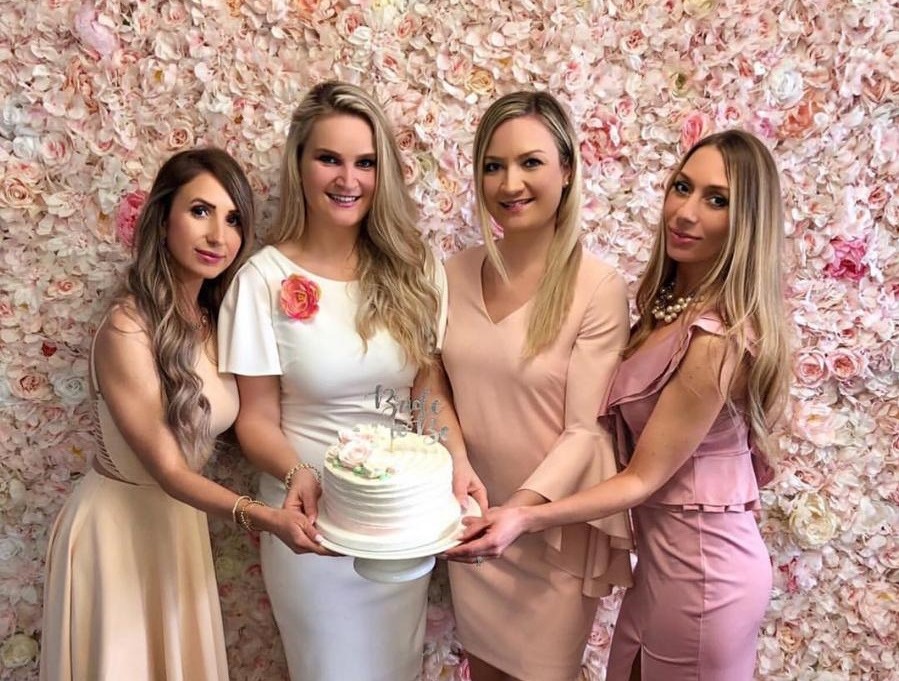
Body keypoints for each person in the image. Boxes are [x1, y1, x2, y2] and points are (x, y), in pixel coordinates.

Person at [448, 129, 790, 681]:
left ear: (747, 220)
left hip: (706, 571)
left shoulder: (717, 341)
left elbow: (640, 478)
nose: (685, 212)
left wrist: (524, 515)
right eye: (682, 187)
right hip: (661, 564)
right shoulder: (669, 310)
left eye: (716, 199)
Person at [217, 81, 484, 681]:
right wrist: (298, 474)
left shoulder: (415, 268)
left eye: (365, 162)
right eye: (329, 159)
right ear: (300, 164)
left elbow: (426, 391)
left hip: (399, 527)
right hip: (310, 527)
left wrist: (458, 462)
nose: (348, 179)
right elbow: (254, 419)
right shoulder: (262, 280)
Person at [40, 148, 316, 681]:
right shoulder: (127, 328)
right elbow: (168, 469)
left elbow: (256, 417)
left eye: (233, 219)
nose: (218, 236)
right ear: (163, 219)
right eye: (200, 211)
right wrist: (265, 518)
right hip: (117, 532)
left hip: (181, 524)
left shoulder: (216, 321)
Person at [438, 91, 634, 681]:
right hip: (472, 517)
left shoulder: (597, 288)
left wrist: (518, 514)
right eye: (493, 166)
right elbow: (430, 382)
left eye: (530, 162)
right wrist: (457, 460)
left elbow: (585, 432)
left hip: (549, 533)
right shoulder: (450, 274)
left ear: (566, 169)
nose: (510, 183)